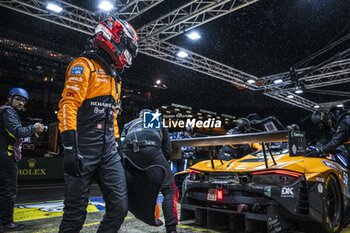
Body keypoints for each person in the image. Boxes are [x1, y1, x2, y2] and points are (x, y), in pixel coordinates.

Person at [57, 17, 138, 233]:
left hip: (109, 151)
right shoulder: (83, 65)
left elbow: (112, 117)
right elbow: (68, 106)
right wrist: (70, 148)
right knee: (75, 216)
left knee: (120, 208)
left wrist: (119, 147)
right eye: (128, 46)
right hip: (82, 148)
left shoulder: (115, 78)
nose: (128, 53)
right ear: (114, 36)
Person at [121, 109, 179, 233]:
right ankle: (171, 229)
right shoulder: (157, 122)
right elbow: (167, 152)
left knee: (124, 188)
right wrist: (156, 171)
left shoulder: (129, 124)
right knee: (170, 190)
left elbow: (121, 143)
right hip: (151, 149)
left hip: (127, 153)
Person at [0, 88, 44, 232]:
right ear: (10, 98)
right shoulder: (8, 112)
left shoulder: (7, 112)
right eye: (18, 99)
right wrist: (34, 127)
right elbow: (17, 131)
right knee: (8, 189)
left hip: (5, 154)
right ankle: (7, 223)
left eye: (23, 101)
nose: (21, 102)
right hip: (6, 156)